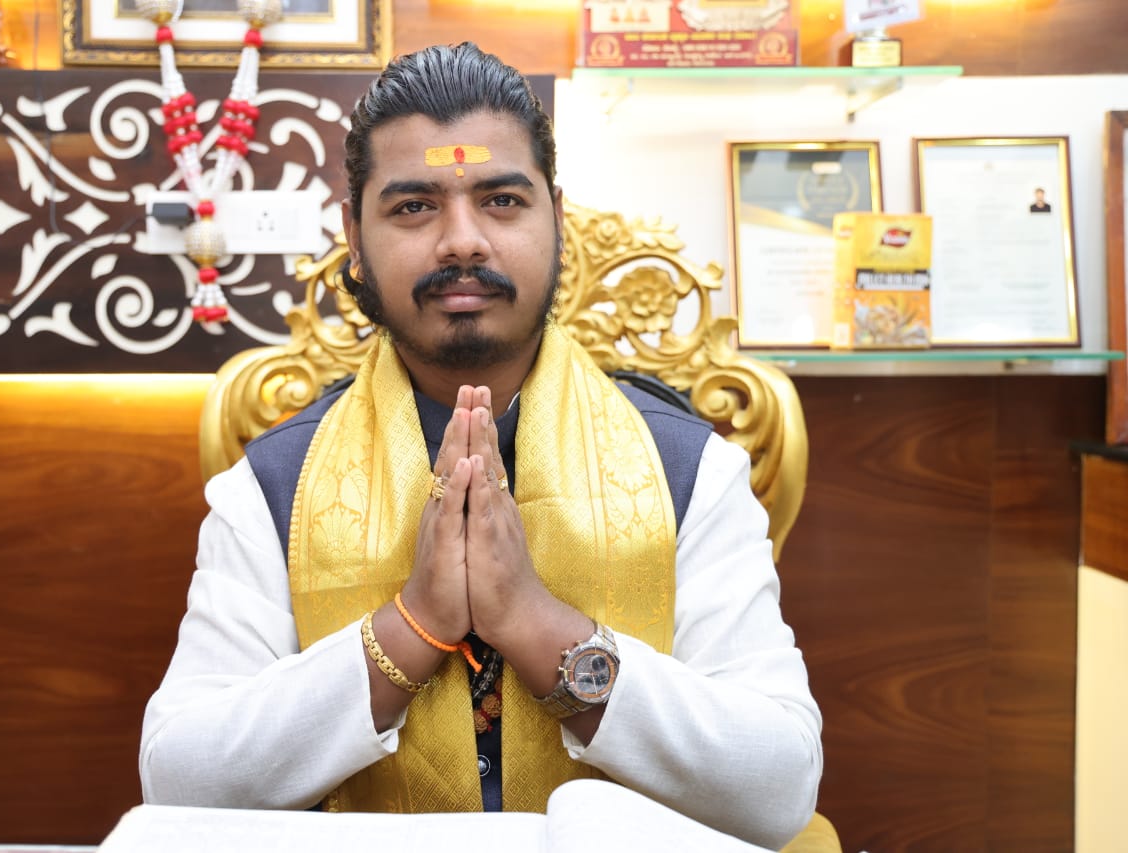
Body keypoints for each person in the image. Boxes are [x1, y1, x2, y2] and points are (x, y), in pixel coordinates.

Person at [139, 42, 822, 850]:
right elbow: (178, 779)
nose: (462, 241)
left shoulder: (688, 469)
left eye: (500, 200)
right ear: (353, 236)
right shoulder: (274, 485)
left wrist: (539, 627)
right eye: (413, 206)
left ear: (555, 219)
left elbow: (779, 785)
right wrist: (412, 626)